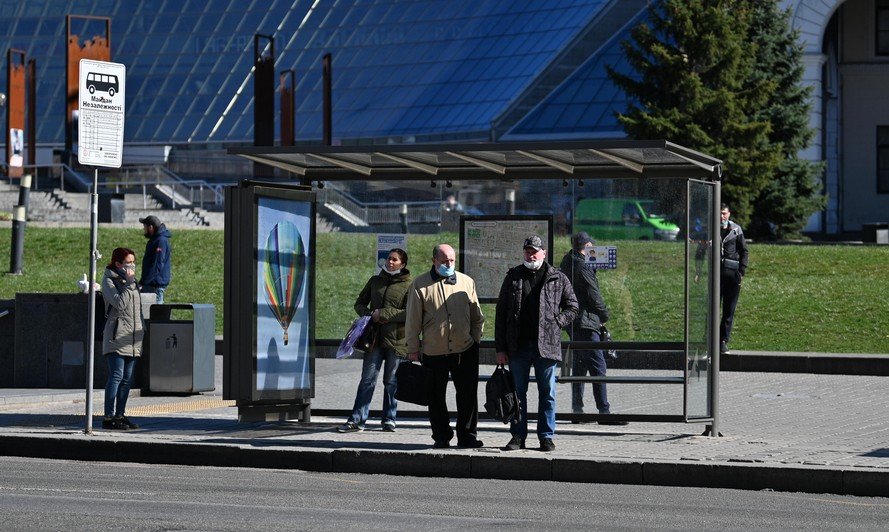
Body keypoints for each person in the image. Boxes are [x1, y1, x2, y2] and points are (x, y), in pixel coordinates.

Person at [495, 235, 578, 452]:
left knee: (547, 394)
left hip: (547, 346)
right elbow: (501, 313)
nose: (531, 255)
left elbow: (573, 306)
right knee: (517, 394)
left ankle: (546, 437)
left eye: (534, 251)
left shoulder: (557, 277)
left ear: (544, 253)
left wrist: (558, 321)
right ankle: (517, 436)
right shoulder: (513, 276)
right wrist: (500, 348)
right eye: (527, 251)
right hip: (518, 347)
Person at [405, 244, 485, 449]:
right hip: (433, 350)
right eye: (444, 261)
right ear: (434, 261)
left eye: (452, 260)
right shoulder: (420, 284)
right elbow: (413, 321)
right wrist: (413, 348)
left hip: (464, 349)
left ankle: (467, 436)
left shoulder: (466, 282)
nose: (448, 264)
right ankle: (441, 435)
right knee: (435, 396)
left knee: (467, 394)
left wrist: (475, 341)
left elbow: (477, 317)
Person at [339, 249, 412, 433]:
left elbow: (410, 312)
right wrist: (370, 315)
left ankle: (389, 420)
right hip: (373, 339)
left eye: (394, 260)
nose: (390, 262)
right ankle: (357, 420)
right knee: (367, 380)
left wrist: (385, 314)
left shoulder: (410, 285)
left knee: (391, 381)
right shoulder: (375, 281)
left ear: (402, 264)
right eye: (389, 258)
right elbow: (359, 303)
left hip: (397, 340)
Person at [558, 232, 628, 426]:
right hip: (586, 322)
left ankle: (577, 411)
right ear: (587, 245)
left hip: (574, 322)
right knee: (598, 366)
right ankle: (604, 412)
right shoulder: (582, 266)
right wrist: (604, 316)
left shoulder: (568, 261)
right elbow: (593, 295)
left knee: (579, 367)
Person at [101, 247, 145, 430]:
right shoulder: (109, 280)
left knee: (127, 379)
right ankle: (108, 417)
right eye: (128, 262)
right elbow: (120, 303)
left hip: (133, 337)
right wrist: (128, 283)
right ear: (118, 263)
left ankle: (120, 414)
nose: (132, 265)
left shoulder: (131, 281)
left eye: (133, 262)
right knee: (116, 376)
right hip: (117, 336)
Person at [718, 204, 749, 354]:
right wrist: (698, 271)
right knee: (711, 310)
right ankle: (708, 339)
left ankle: (722, 341)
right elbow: (700, 251)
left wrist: (741, 271)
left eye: (724, 213)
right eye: (719, 214)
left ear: (729, 214)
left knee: (728, 310)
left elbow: (744, 251)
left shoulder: (736, 230)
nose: (721, 217)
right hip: (715, 276)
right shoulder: (711, 229)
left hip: (732, 276)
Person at [138, 215, 172, 304]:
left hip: (155, 285)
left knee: (155, 313)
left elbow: (157, 264)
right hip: (151, 284)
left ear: (151, 227)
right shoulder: (155, 240)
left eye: (144, 227)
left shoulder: (160, 241)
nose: (144, 230)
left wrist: (143, 282)